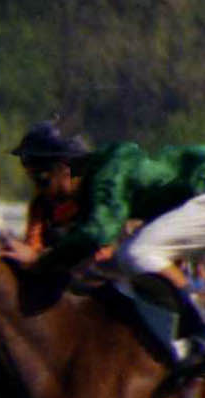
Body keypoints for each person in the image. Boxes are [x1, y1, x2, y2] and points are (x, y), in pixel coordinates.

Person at [22, 119, 205, 374]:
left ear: (64, 168)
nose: (39, 190)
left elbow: (98, 233)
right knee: (125, 265)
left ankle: (199, 335)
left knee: (137, 253)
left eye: (41, 178)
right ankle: (181, 350)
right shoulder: (92, 187)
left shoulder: (109, 171)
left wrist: (41, 262)